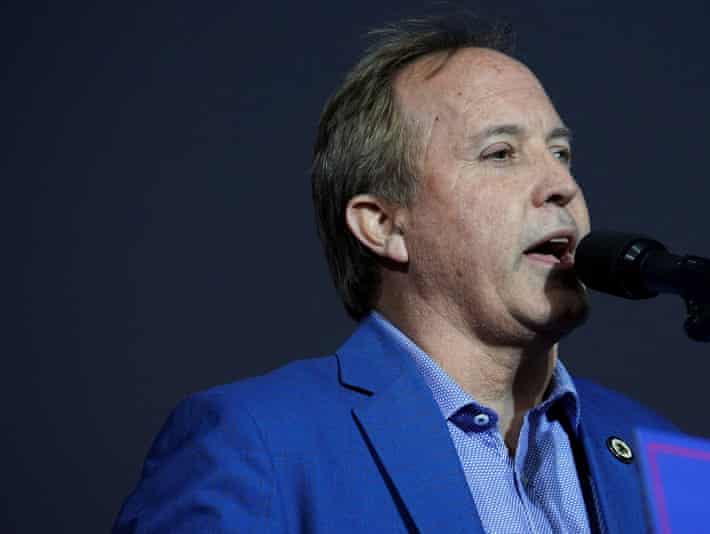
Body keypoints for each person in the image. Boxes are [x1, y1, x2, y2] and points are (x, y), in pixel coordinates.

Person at [113, 17, 675, 533]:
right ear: (383, 225)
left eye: (562, 152)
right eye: (501, 153)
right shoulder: (256, 444)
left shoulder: (653, 448)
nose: (561, 185)